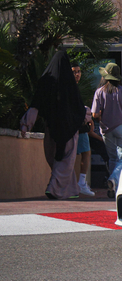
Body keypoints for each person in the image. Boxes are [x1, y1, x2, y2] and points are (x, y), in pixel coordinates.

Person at [20, 51, 91, 200]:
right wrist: (84, 119)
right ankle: (53, 188)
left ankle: (71, 190)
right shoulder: (69, 84)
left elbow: (36, 105)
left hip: (51, 128)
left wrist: (26, 125)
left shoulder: (46, 81)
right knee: (65, 161)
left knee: (61, 161)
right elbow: (78, 108)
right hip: (69, 130)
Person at [91, 63, 122, 198]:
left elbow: (94, 115)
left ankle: (114, 185)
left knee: (112, 158)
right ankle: (114, 178)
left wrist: (103, 113)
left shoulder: (99, 92)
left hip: (106, 128)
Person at [71, 62, 95, 196]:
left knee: (84, 152)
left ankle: (80, 182)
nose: (77, 74)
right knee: (83, 152)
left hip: (78, 125)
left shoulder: (75, 87)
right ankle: (79, 183)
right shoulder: (70, 88)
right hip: (76, 126)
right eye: (74, 71)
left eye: (78, 71)